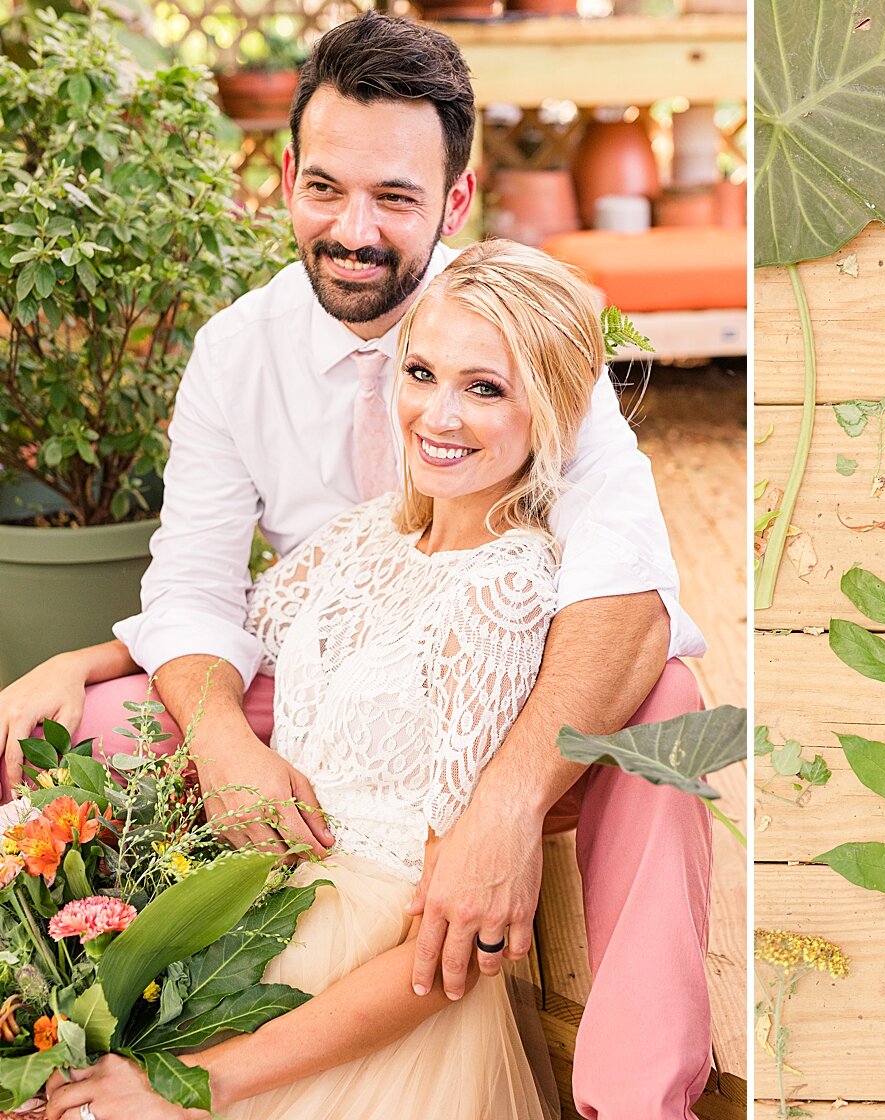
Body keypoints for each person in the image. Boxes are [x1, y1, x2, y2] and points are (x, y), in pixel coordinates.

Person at [0, 13, 713, 1118]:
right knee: (49, 729)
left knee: (663, 709)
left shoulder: (522, 332)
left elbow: (627, 590)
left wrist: (508, 804)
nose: (353, 229)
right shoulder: (239, 353)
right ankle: (56, 1030)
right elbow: (199, 591)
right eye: (326, 188)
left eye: (394, 197)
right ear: (285, 176)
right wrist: (211, 730)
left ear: (456, 203)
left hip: (497, 682)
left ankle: (637, 1093)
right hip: (322, 676)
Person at [45, 238, 600, 1120]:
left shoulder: (504, 590)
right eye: (422, 372)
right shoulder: (366, 533)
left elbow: (447, 952)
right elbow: (238, 626)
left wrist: (191, 1087)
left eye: (485, 388)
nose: (439, 415)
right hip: (246, 908)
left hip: (361, 986)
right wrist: (77, 662)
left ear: (551, 414)